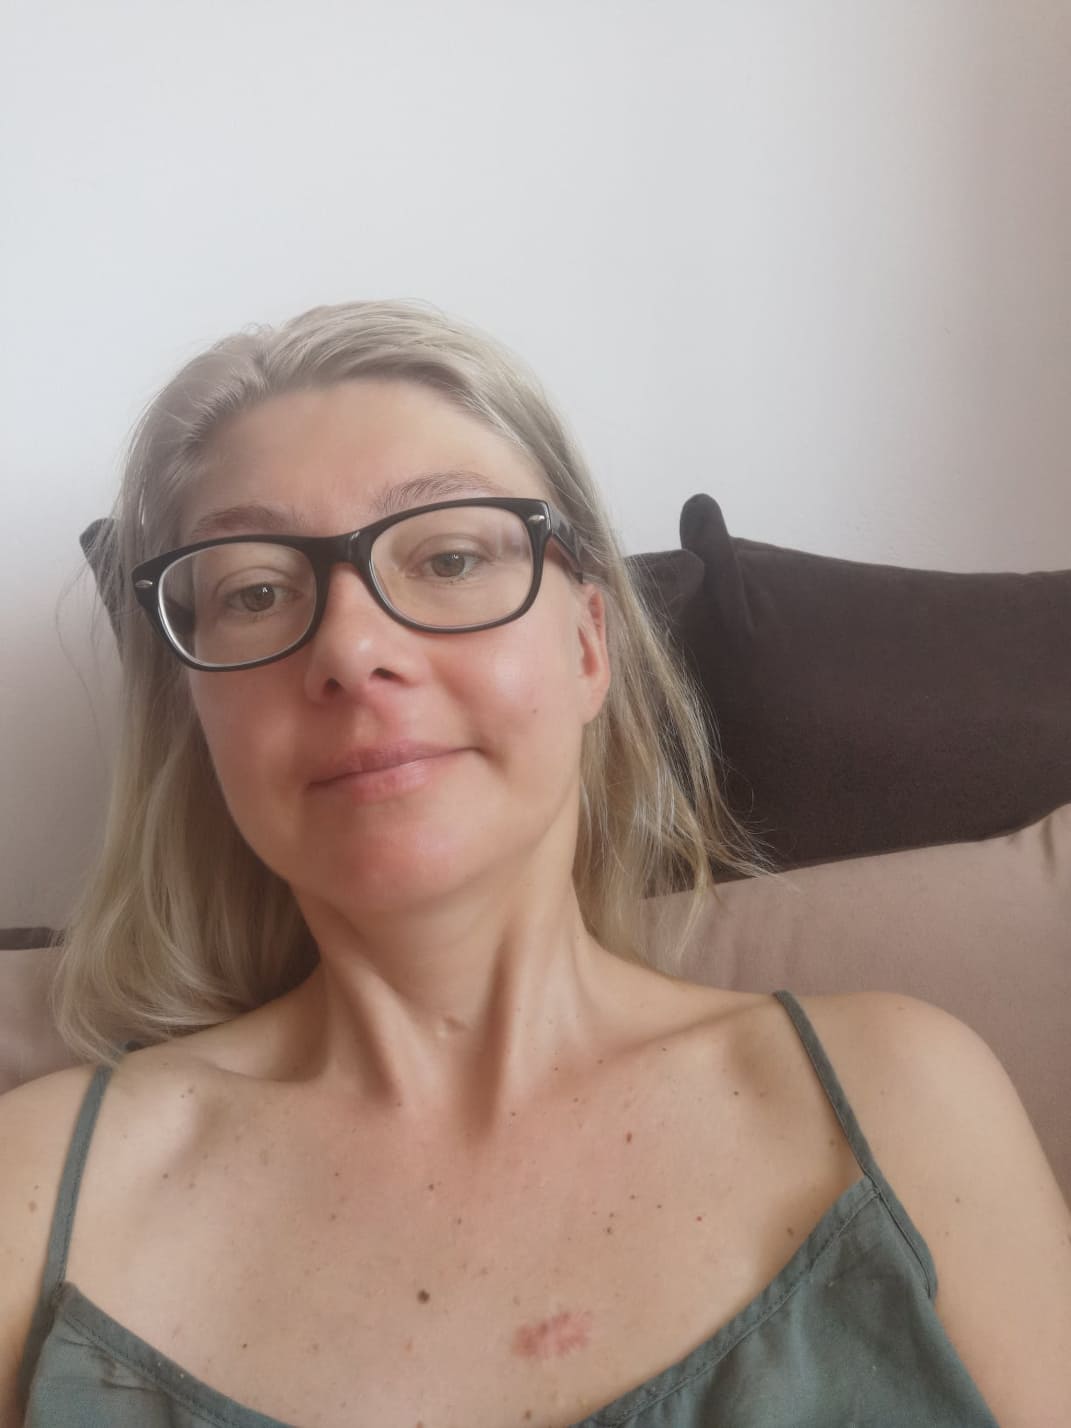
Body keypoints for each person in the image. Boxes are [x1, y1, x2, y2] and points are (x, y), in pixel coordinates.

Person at [1, 300, 1068, 1428]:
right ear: (196, 710)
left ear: (589, 644)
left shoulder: (904, 1097)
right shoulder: (33, 1188)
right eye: (256, 592)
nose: (352, 649)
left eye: (451, 557)